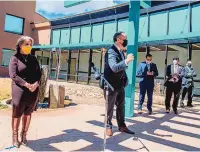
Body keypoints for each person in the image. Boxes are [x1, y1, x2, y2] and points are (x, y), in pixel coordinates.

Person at [9, 36, 41, 147]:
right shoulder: (15, 58)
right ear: (20, 45)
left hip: (33, 90)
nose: (29, 46)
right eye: (26, 44)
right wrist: (26, 84)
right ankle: (14, 137)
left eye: (30, 44)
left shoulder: (33, 59)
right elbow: (13, 75)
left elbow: (39, 73)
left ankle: (24, 136)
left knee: (28, 113)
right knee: (17, 113)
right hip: (20, 90)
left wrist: (36, 83)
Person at [104, 31, 135, 136]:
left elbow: (122, 68)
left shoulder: (121, 51)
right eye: (124, 39)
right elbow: (114, 67)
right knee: (110, 107)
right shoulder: (111, 51)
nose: (126, 41)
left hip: (120, 84)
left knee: (121, 106)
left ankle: (122, 126)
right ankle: (108, 126)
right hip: (111, 84)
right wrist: (127, 61)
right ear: (118, 39)